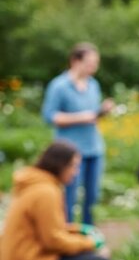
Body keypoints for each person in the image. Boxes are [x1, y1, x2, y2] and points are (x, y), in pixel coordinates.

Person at [0, 141, 110, 260]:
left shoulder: (35, 183)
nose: (76, 172)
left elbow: (44, 228)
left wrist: (76, 230)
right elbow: (53, 240)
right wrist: (89, 243)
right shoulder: (46, 191)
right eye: (73, 166)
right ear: (60, 164)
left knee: (82, 255)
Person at [41, 42, 114, 225]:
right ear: (75, 61)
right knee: (70, 196)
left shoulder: (93, 85)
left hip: (93, 147)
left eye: (95, 63)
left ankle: (88, 234)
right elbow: (50, 116)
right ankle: (67, 232)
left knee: (92, 196)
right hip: (70, 150)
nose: (93, 68)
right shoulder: (59, 86)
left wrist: (101, 111)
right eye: (89, 63)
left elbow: (92, 116)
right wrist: (82, 117)